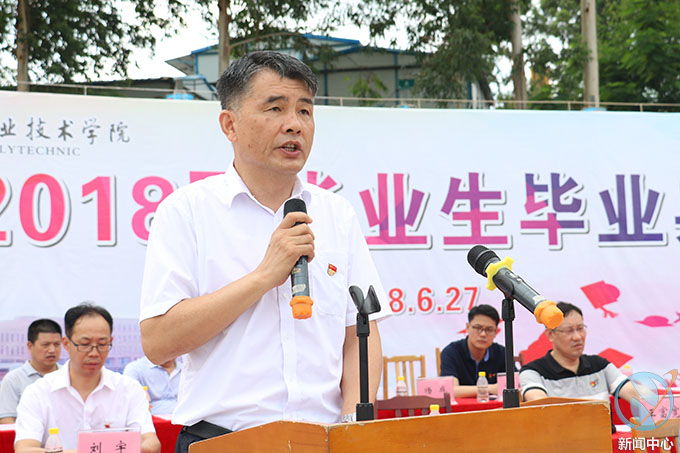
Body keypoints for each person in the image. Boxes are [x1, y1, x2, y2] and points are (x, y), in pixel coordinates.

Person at [138, 50, 388, 453]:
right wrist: (263, 277)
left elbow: (361, 331)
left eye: (305, 111)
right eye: (275, 108)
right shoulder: (187, 211)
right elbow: (158, 342)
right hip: (222, 442)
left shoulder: (336, 214)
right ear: (230, 124)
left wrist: (350, 426)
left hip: (324, 441)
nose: (294, 124)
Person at [14, 303, 161, 453]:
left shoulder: (129, 389)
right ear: (66, 344)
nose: (94, 353)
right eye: (85, 344)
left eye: (102, 344)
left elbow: (151, 443)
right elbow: (24, 449)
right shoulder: (37, 392)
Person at [520, 302, 636, 403]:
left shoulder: (600, 366)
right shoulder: (533, 372)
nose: (577, 337)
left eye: (580, 329)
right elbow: (541, 406)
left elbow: (636, 395)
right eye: (569, 330)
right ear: (550, 334)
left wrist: (645, 400)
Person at [0, 319, 62, 424]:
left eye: (56, 344)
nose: (52, 350)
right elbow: (7, 420)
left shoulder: (69, 375)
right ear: (30, 346)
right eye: (45, 344)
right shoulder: (13, 380)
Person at [439, 304, 508, 398]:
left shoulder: (502, 353)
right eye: (478, 328)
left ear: (496, 332)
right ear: (467, 328)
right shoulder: (451, 352)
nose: (483, 334)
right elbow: (450, 390)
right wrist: (490, 388)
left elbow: (514, 385)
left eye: (489, 329)